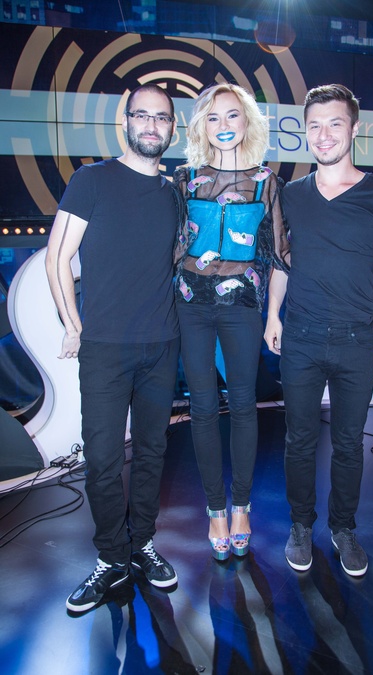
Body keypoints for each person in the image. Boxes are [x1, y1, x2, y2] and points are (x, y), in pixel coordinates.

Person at [264, 84, 373, 577]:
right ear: (304, 132)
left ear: (353, 128)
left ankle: (344, 528)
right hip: (301, 338)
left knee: (350, 444)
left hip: (356, 342)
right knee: (299, 441)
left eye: (334, 123)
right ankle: (301, 525)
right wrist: (273, 315)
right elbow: (282, 263)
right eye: (314, 125)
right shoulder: (290, 196)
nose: (324, 134)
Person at [46, 83, 182, 612]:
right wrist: (73, 324)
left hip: (161, 345)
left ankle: (141, 544)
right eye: (141, 115)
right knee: (102, 459)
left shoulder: (173, 192)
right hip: (104, 347)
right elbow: (58, 256)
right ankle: (111, 558)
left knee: (152, 452)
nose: (151, 125)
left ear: (172, 128)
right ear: (125, 122)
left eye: (161, 117)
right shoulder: (92, 180)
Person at [173, 83, 289, 560]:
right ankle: (215, 511)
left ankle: (241, 507)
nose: (223, 126)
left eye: (232, 115)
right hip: (189, 304)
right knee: (202, 408)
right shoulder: (185, 178)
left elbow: (280, 255)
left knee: (243, 405)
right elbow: (171, 246)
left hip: (242, 305)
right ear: (202, 126)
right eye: (213, 117)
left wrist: (274, 315)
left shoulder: (266, 181)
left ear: (247, 122)